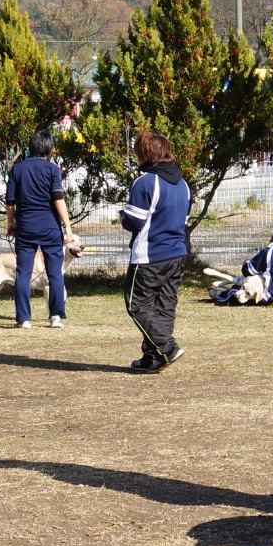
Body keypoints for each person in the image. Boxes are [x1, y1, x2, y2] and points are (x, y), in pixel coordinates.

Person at [121, 129, 191, 373]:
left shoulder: (145, 182)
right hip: (177, 254)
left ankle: (167, 348)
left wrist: (123, 215)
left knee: (137, 303)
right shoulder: (183, 185)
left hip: (150, 256)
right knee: (164, 305)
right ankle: (153, 357)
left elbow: (133, 222)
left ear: (146, 154)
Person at [5, 127, 73, 329]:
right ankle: (55, 316)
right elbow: (58, 199)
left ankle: (24, 319)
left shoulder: (17, 169)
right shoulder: (52, 170)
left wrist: (10, 222)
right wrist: (67, 226)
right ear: (49, 149)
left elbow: (10, 201)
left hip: (25, 227)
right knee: (55, 273)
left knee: (23, 273)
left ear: (31, 147)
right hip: (50, 227)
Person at [217, 224, 273, 306]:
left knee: (236, 289)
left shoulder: (269, 250)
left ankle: (219, 294)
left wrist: (246, 262)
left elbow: (248, 271)